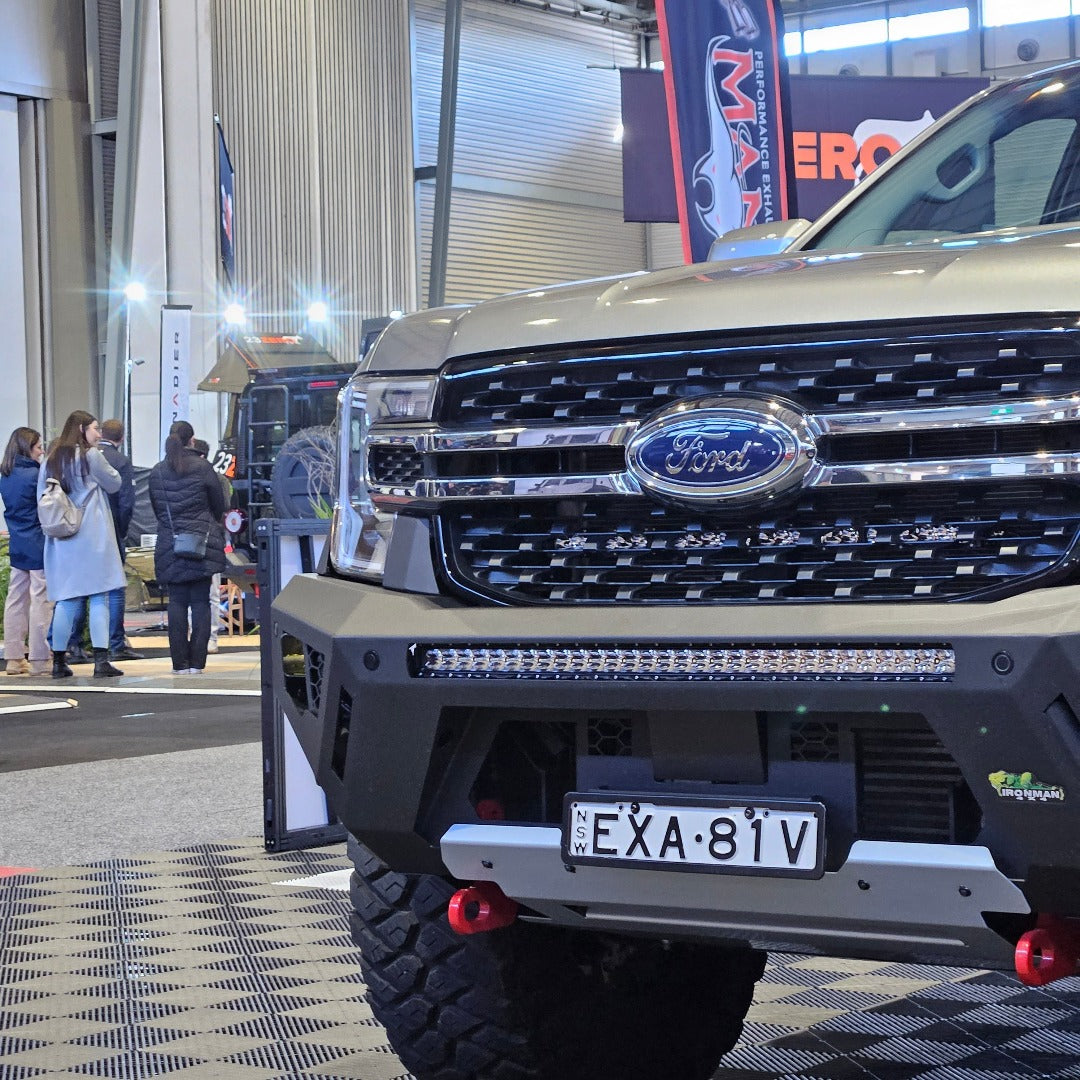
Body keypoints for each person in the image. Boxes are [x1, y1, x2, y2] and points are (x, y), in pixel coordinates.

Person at [37, 410, 126, 678]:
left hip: (62, 539)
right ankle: (101, 661)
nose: (99, 434)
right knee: (99, 596)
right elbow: (114, 483)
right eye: (95, 429)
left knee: (66, 600)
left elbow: (40, 493)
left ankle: (58, 662)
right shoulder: (89, 455)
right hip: (92, 535)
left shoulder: (50, 458)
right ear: (82, 429)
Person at [149, 421, 226, 674]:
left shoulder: (157, 471)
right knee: (201, 603)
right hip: (202, 543)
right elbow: (219, 503)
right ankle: (197, 663)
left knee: (177, 603)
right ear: (192, 441)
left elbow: (157, 509)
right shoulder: (203, 466)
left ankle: (179, 664)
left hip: (170, 543)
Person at [0, 427, 53, 676]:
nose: (42, 451)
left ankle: (13, 657)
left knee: (16, 600)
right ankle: (40, 658)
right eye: (39, 447)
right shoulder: (37, 474)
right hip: (38, 542)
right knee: (40, 599)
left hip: (17, 543)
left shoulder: (5, 474)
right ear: (28, 448)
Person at [97, 419, 143, 661]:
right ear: (122, 437)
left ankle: (79, 644)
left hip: (89, 535)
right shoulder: (120, 462)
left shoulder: (88, 456)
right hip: (113, 530)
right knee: (115, 589)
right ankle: (116, 643)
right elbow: (126, 502)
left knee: (87, 591)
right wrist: (122, 531)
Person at [193, 437, 227, 653]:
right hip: (205, 537)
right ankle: (200, 637)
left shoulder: (219, 479)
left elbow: (223, 508)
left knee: (212, 592)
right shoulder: (217, 479)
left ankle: (211, 637)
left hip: (211, 539)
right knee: (197, 592)